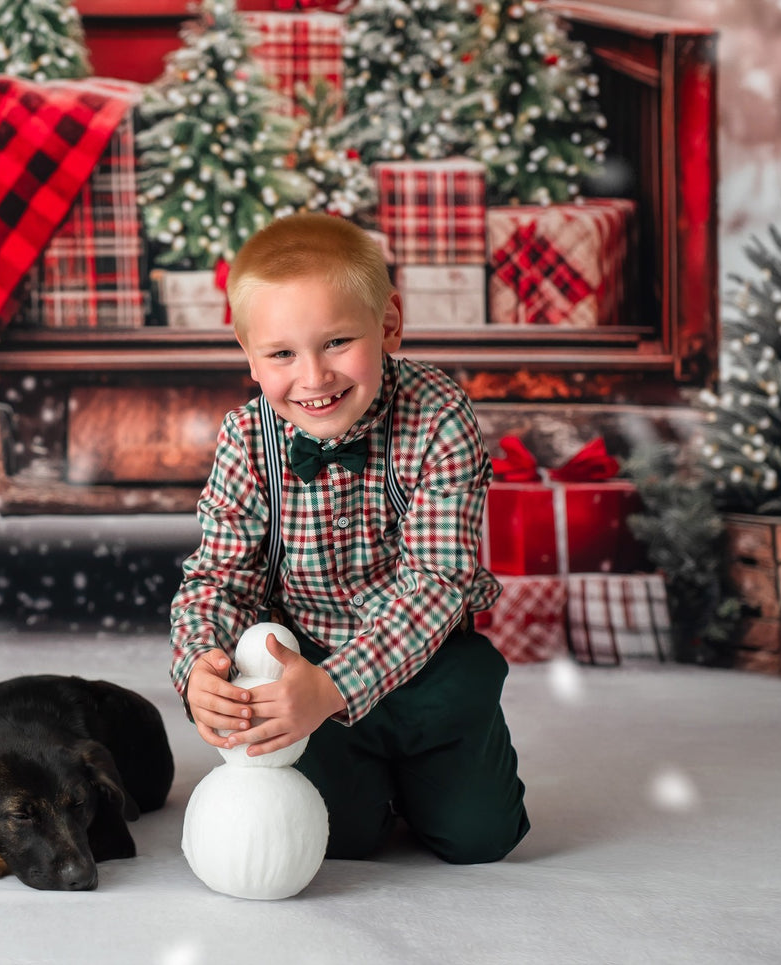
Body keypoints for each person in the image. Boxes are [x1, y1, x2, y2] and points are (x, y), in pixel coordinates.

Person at [169, 213, 529, 863]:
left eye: (337, 341)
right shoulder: (245, 439)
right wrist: (200, 663)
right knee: (345, 840)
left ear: (388, 323)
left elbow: (438, 580)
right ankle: (366, 784)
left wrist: (340, 684)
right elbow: (220, 577)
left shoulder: (437, 414)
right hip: (302, 666)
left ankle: (441, 770)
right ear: (249, 353)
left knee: (480, 838)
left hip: (425, 663)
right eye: (281, 353)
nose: (313, 377)